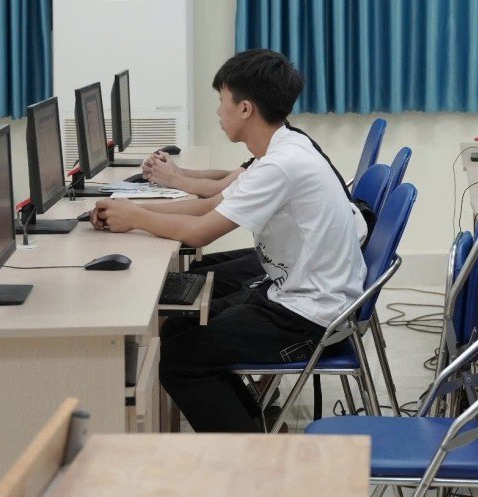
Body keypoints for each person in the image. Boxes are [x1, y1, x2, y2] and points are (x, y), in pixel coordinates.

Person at [88, 49, 365, 432]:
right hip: (296, 296)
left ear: (246, 108)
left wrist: (134, 217)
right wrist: (128, 209)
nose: (218, 112)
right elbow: (209, 208)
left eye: (222, 101)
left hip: (309, 318)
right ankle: (255, 427)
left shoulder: (280, 165)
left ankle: (250, 463)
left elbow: (201, 231)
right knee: (180, 329)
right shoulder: (280, 150)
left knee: (180, 359)